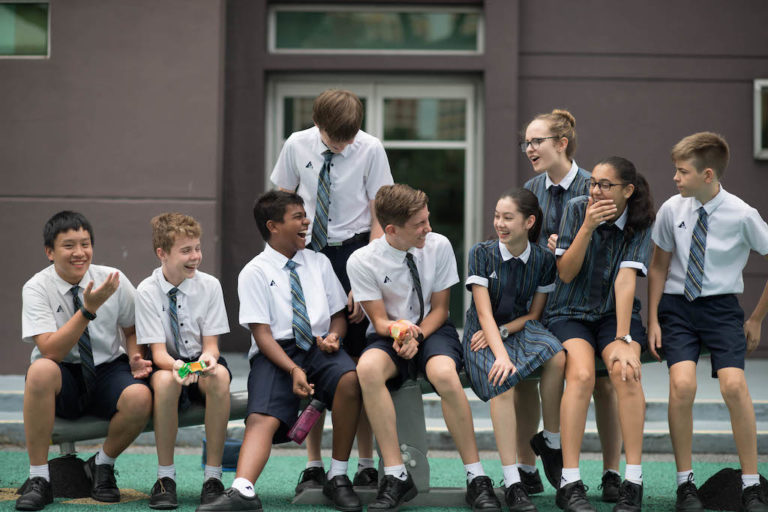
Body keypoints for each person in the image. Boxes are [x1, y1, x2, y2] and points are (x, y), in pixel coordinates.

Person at [198, 190, 363, 512]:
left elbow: (338, 316)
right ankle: (243, 490)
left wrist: (334, 336)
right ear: (273, 226)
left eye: (305, 215)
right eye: (298, 217)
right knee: (261, 417)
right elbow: (262, 335)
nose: (306, 222)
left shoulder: (319, 262)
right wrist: (293, 369)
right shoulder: (254, 272)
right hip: (276, 352)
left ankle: (338, 476)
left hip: (319, 347)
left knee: (350, 380)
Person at [348, 184, 501, 512]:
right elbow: (377, 321)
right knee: (367, 369)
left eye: (427, 220)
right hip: (390, 333)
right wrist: (400, 334)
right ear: (391, 230)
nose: (428, 228)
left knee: (445, 374)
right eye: (419, 224)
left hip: (433, 329)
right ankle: (395, 475)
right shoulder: (362, 260)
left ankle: (476, 477)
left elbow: (441, 310)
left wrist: (416, 337)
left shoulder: (439, 245)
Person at [270, 88, 393, 491]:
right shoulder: (295, 144)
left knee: (357, 360)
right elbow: (281, 202)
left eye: (348, 139)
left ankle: (364, 460)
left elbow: (380, 214)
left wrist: (364, 276)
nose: (343, 145)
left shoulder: (371, 148)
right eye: (335, 139)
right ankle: (313, 461)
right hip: (308, 251)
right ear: (318, 125)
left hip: (356, 251)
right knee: (315, 351)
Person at [647, 132, 768, 512]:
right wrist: (652, 318)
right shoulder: (671, 209)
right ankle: (686, 485)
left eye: (682, 172)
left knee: (734, 386)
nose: (675, 178)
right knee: (682, 386)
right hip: (677, 308)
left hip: (721, 310)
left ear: (708, 174)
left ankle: (751, 485)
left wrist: (757, 318)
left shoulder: (743, 214)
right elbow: (658, 266)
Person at [17, 211, 153, 511]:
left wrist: (134, 356)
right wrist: (87, 311)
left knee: (140, 397)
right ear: (49, 252)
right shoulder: (37, 287)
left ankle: (102, 465)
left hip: (107, 369)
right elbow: (50, 350)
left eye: (86, 244)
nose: (79, 253)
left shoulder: (112, 278)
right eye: (69, 246)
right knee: (40, 370)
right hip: (61, 372)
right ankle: (40, 478)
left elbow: (131, 329)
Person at [520, 109, 623, 500]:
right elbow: (519, 246)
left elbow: (612, 245)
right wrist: (539, 250)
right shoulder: (531, 187)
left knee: (605, 384)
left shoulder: (595, 185)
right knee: (523, 382)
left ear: (561, 143)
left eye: (537, 141)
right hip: (548, 303)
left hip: (595, 301)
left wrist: (569, 246)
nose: (529, 148)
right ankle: (527, 470)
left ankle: (612, 473)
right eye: (526, 142)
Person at [544, 157, 655, 512]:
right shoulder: (578, 209)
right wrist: (586, 228)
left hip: (612, 314)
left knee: (625, 372)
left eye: (606, 185)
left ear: (627, 190)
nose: (596, 191)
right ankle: (570, 482)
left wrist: (623, 340)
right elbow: (564, 273)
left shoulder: (640, 222)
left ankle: (632, 480)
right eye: (594, 183)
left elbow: (625, 282)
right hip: (569, 312)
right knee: (581, 374)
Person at [463, 188, 565, 512]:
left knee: (558, 355)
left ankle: (550, 441)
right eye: (497, 216)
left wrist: (508, 333)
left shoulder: (544, 259)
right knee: (502, 382)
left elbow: (535, 315)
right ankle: (512, 482)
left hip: (519, 327)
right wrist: (501, 353)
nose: (499, 224)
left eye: (508, 217)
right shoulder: (481, 252)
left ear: (529, 221)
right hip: (483, 332)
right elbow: (483, 314)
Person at [135, 213, 231, 509]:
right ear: (161, 254)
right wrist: (177, 367)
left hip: (201, 361)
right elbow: (159, 354)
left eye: (197, 249)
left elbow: (212, 346)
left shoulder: (210, 286)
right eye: (186, 251)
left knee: (221, 377)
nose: (195, 257)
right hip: (169, 364)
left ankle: (213, 478)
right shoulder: (146, 291)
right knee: (164, 383)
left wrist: (206, 362)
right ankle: (166, 478)